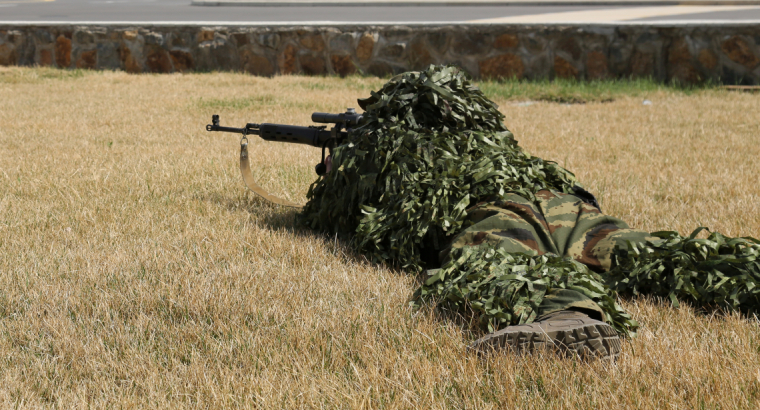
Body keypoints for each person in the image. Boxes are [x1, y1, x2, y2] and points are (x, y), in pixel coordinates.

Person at [302, 66, 760, 361]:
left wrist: (338, 166)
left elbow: (347, 218)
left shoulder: (395, 151)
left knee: (499, 262)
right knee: (652, 252)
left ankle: (567, 318)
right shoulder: (496, 143)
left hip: (495, 213)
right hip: (563, 203)